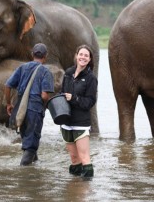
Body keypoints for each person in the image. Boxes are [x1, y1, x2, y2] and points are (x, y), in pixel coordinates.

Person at [5, 43, 54, 166]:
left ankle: (35, 166)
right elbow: (44, 95)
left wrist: (9, 104)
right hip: (35, 111)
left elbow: (8, 85)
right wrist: (48, 102)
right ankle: (24, 176)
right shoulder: (46, 72)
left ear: (32, 54)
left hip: (20, 110)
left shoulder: (22, 68)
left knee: (28, 139)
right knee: (31, 146)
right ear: (45, 56)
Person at [60, 44, 98, 179]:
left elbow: (90, 102)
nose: (83, 57)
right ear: (76, 56)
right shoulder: (68, 73)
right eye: (81, 54)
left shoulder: (91, 78)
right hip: (66, 121)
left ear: (89, 59)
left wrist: (74, 98)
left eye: (86, 56)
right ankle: (74, 189)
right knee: (74, 158)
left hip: (80, 123)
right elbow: (62, 93)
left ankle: (86, 191)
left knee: (84, 157)